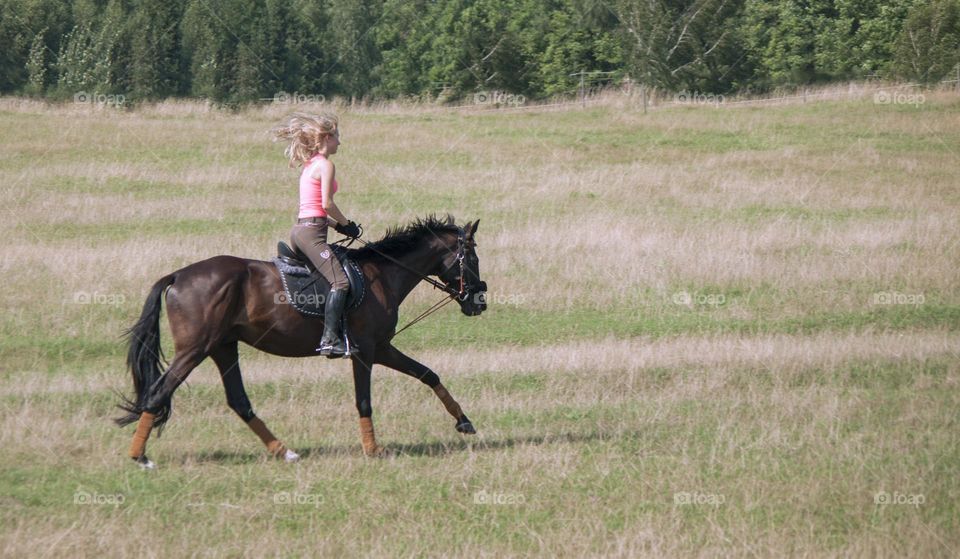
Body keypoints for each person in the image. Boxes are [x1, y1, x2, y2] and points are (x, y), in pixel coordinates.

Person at [272, 113, 361, 356]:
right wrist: (347, 223)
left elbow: (316, 208)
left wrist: (337, 227)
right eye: (337, 137)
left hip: (302, 230)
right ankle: (330, 340)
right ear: (327, 137)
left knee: (329, 273)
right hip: (312, 234)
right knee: (340, 281)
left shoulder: (310, 164)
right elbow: (327, 203)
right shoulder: (325, 165)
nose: (340, 143)